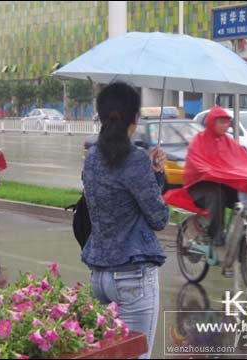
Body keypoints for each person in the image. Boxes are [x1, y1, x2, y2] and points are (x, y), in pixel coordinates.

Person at [82, 82, 169, 359]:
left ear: (101, 114)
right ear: (135, 118)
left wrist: (149, 171)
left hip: (99, 277)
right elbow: (158, 218)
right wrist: (156, 175)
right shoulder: (135, 160)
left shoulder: (92, 157)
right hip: (133, 278)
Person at [183, 105, 247, 247]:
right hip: (199, 186)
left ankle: (239, 234)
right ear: (212, 122)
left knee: (244, 197)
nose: (226, 125)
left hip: (222, 183)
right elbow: (197, 163)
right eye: (221, 122)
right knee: (217, 195)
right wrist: (214, 172)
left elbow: (243, 161)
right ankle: (215, 236)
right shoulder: (199, 140)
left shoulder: (228, 141)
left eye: (227, 122)